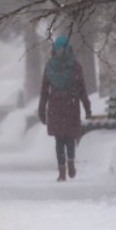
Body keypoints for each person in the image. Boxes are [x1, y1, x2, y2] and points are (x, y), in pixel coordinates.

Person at [38, 36, 91, 181]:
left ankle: (62, 172)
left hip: (56, 106)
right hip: (71, 105)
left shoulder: (49, 66)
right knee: (70, 138)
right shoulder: (75, 66)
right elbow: (82, 89)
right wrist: (87, 108)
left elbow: (44, 90)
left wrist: (41, 109)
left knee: (59, 140)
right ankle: (71, 163)